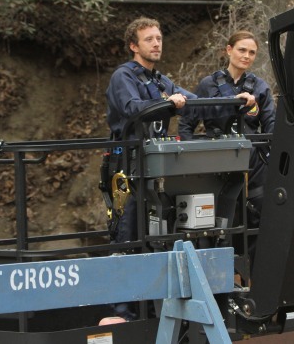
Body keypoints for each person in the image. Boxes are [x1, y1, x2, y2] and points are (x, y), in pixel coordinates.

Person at [104, 17, 254, 321]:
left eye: (159, 38)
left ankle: (156, 307)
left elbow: (198, 104)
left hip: (154, 169)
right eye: (149, 39)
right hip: (128, 169)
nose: (156, 43)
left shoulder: (159, 81)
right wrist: (169, 104)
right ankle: (123, 312)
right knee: (128, 240)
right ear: (134, 45)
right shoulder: (124, 77)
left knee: (160, 236)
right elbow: (133, 109)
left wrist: (234, 102)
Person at [178, 30, 275, 262]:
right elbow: (186, 125)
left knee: (257, 222)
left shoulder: (259, 87)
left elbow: (271, 125)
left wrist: (265, 153)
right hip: (216, 162)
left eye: (252, 52)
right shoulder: (208, 85)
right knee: (214, 224)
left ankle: (258, 278)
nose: (247, 56)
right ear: (229, 50)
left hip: (252, 166)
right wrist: (192, 158)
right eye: (242, 50)